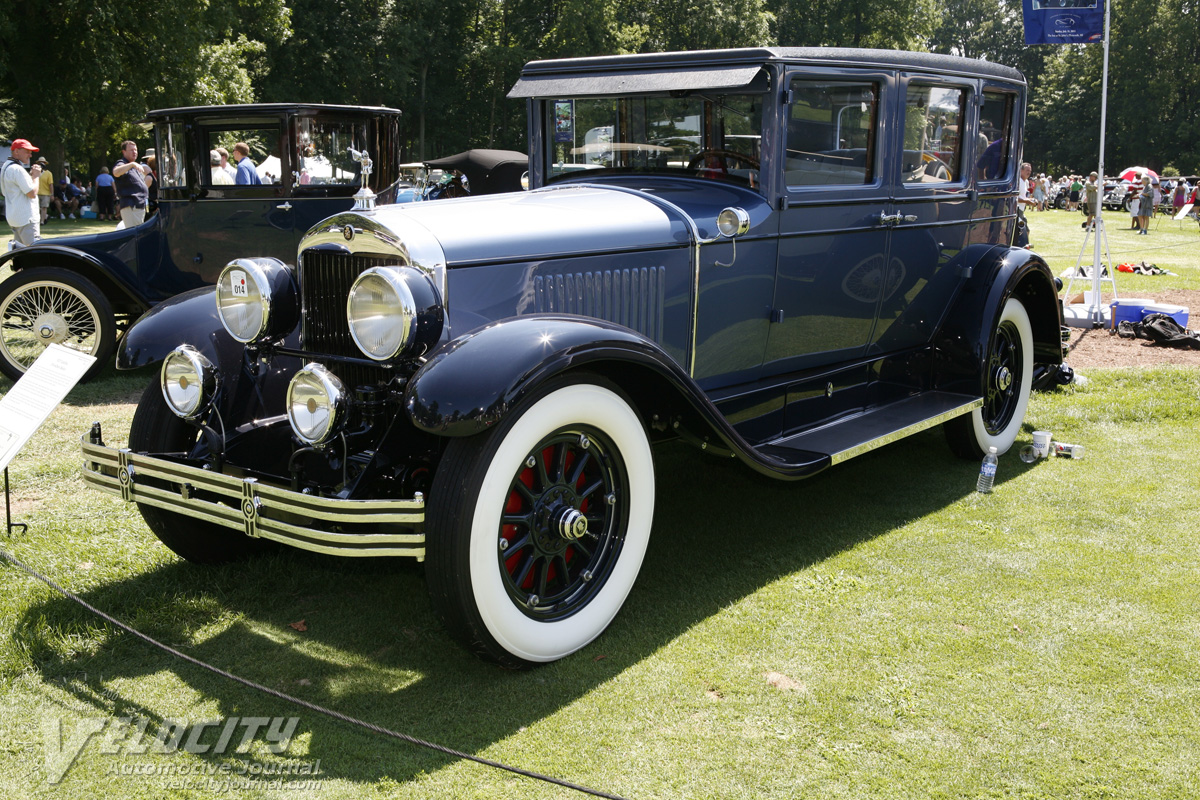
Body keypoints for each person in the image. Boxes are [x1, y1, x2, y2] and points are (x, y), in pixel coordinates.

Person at [2, 138, 44, 248]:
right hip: (26, 219)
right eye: (27, 151)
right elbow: (32, 193)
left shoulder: (6, 166)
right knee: (33, 251)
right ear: (16, 151)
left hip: (15, 218)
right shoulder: (17, 169)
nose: (30, 155)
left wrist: (30, 177)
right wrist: (36, 176)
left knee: (21, 253)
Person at [113, 140, 152, 228]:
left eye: (135, 150)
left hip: (138, 206)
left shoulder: (133, 166)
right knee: (135, 233)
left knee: (138, 233)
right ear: (124, 152)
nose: (134, 152)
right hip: (131, 206)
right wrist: (132, 164)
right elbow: (116, 172)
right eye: (131, 150)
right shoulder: (122, 163)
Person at [1015, 162, 1034, 247]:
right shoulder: (1017, 181)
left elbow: (1023, 196)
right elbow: (1015, 198)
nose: (1029, 172)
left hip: (1022, 210)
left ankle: (1023, 246)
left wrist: (1030, 200)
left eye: (1030, 171)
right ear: (1021, 170)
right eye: (1027, 170)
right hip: (1016, 209)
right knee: (1023, 231)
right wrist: (1028, 201)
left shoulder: (1026, 182)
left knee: (1026, 231)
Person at [36, 156, 54, 224]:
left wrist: (52, 194)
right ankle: (44, 217)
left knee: (44, 207)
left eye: (43, 163)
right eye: (40, 163)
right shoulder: (35, 172)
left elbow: (50, 184)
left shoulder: (48, 173)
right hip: (36, 193)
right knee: (37, 208)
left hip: (46, 193)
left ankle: (42, 221)